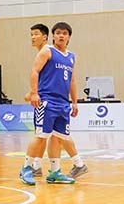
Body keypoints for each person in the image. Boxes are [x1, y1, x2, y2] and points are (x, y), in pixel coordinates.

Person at [19, 25, 87, 183]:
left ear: (69, 37)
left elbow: (72, 81)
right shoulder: (47, 51)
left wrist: (74, 102)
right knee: (41, 136)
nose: (61, 36)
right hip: (47, 101)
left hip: (63, 103)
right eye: (58, 33)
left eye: (64, 33)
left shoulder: (71, 57)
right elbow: (34, 71)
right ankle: (26, 168)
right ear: (53, 36)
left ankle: (55, 172)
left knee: (58, 137)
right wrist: (34, 93)